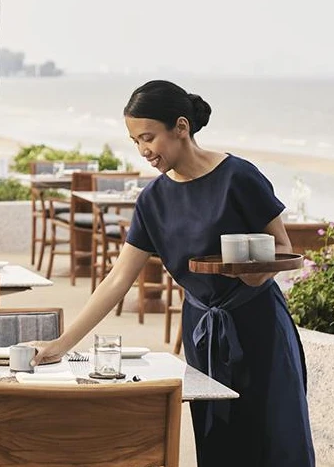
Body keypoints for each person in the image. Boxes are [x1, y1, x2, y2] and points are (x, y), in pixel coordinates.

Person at [27, 80, 316, 466]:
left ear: (181, 127)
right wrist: (61, 345)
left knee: (276, 440)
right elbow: (116, 280)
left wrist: (255, 275)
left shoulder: (238, 177)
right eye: (135, 142)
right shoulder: (153, 201)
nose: (144, 150)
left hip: (260, 326)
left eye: (149, 137)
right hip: (203, 331)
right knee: (219, 444)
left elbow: (280, 246)